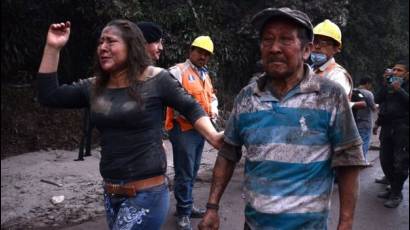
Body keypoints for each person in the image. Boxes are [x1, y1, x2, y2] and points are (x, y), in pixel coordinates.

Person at [37, 20, 223, 230]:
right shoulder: (94, 87)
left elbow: (191, 107)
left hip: (147, 194)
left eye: (111, 41)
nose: (103, 48)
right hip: (111, 193)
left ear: (131, 46)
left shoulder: (157, 79)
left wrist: (213, 136)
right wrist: (53, 47)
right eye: (100, 43)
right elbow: (49, 96)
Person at [198, 7, 367, 230]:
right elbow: (228, 153)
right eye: (267, 40)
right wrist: (212, 207)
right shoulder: (247, 98)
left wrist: (345, 224)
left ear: (306, 50)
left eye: (286, 39)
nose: (274, 48)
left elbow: (348, 162)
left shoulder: (330, 95)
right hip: (254, 225)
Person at [165, 36, 218, 230]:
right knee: (184, 172)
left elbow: (211, 96)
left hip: (200, 131)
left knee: (193, 170)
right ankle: (183, 212)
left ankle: (186, 206)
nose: (203, 56)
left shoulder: (205, 74)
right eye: (200, 51)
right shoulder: (177, 71)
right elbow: (167, 98)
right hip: (183, 129)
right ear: (191, 51)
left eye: (207, 54)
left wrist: (214, 106)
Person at [373, 59, 409, 208]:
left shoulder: (403, 87)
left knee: (400, 163)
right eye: (393, 70)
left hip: (404, 130)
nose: (395, 72)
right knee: (385, 160)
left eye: (399, 70)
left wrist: (399, 89)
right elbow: (378, 100)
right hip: (387, 127)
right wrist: (385, 83)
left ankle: (396, 193)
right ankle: (393, 188)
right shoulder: (389, 85)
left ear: (407, 74)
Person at [351, 76, 377, 161]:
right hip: (365, 121)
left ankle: (353, 159)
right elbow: (373, 108)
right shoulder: (368, 93)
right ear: (368, 84)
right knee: (364, 140)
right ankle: (362, 160)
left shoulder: (352, 91)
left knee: (354, 142)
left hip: (353, 120)